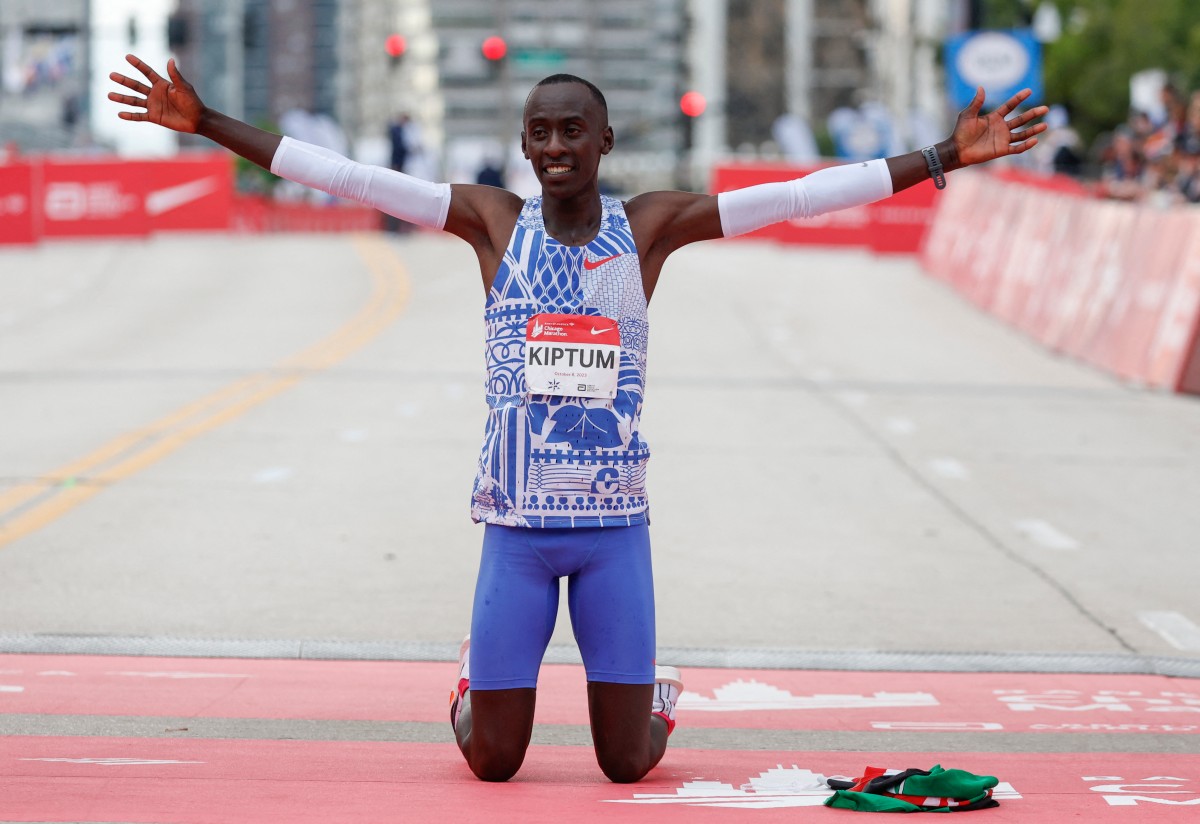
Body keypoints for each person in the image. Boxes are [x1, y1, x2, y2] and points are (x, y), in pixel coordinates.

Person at [108, 54, 1047, 785]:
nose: (555, 148)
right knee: (493, 760)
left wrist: (941, 158)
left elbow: (797, 197)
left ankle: (655, 698)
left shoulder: (648, 228)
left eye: (573, 132)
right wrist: (207, 127)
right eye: (539, 134)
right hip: (515, 533)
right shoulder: (487, 222)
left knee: (626, 762)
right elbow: (347, 177)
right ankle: (474, 682)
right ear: (524, 146)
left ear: (605, 141)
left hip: (612, 535)